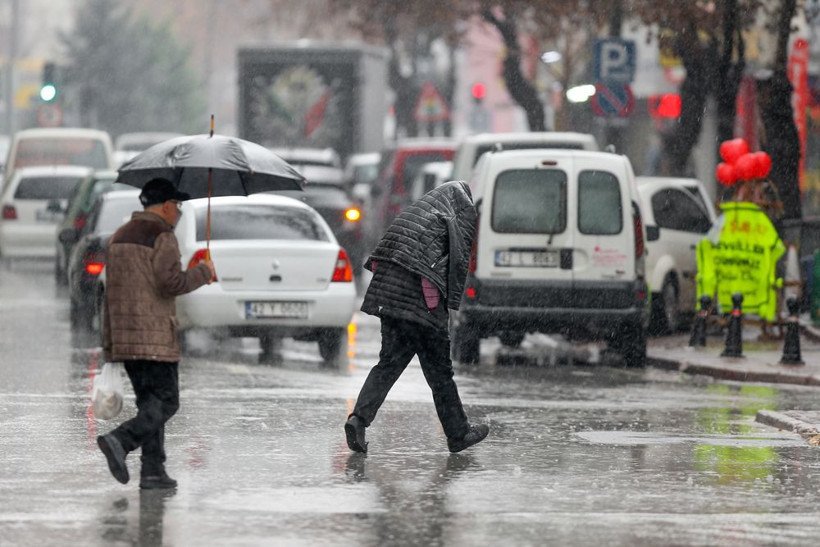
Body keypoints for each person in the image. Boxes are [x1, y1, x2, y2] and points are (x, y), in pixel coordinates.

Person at [345, 181, 489, 454]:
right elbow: (451, 265)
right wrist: (442, 312)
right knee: (440, 375)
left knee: (387, 365)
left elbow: (378, 260)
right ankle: (458, 434)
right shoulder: (451, 218)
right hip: (422, 308)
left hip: (390, 302)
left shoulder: (413, 215)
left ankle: (358, 420)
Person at [97, 177, 215, 489]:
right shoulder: (162, 236)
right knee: (167, 401)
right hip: (153, 336)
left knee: (150, 402)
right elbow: (171, 283)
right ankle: (120, 440)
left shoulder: (119, 235)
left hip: (123, 335)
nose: (178, 212)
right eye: (177, 206)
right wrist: (203, 273)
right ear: (165, 206)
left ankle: (153, 471)